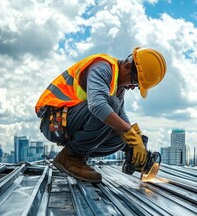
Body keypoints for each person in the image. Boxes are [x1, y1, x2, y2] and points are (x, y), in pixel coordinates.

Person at [35, 47, 166, 183]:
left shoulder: (118, 87)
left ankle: (78, 156)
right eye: (135, 82)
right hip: (54, 122)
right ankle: (70, 157)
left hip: (70, 122)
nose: (132, 87)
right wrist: (129, 132)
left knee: (121, 136)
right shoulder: (102, 67)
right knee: (110, 107)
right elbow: (97, 105)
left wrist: (134, 142)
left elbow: (120, 116)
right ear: (127, 67)